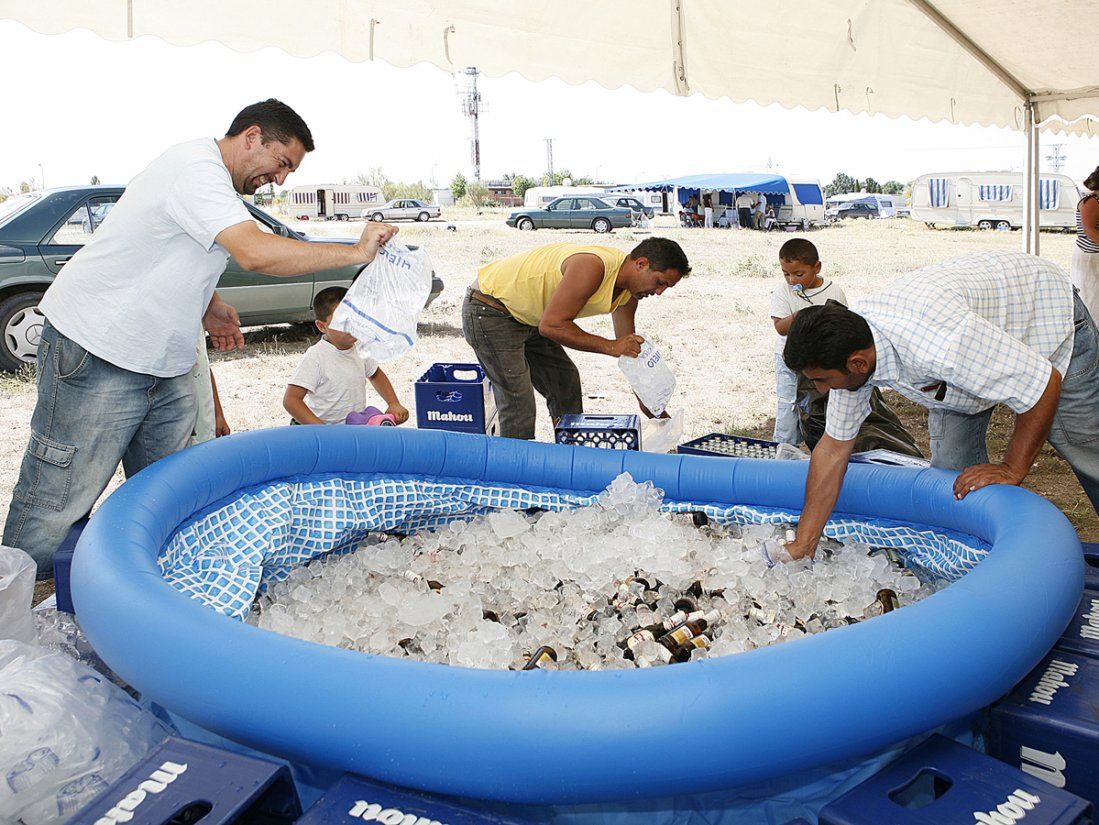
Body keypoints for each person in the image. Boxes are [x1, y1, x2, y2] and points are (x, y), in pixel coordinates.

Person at [4, 98, 399, 578]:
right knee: (58, 494)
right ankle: (20, 617)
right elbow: (255, 253)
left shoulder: (219, 187)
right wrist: (354, 251)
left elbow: (173, 243)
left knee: (169, 492)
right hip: (99, 347)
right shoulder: (195, 168)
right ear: (252, 136)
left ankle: (147, 592)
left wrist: (209, 304)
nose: (281, 179)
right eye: (282, 163)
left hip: (164, 362)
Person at [782, 250, 1099, 560]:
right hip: (974, 347)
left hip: (1042, 318)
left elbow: (1043, 383)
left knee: (1087, 449)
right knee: (954, 476)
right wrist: (803, 544)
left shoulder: (942, 346)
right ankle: (980, 564)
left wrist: (1011, 468)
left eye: (822, 379)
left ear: (858, 364)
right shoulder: (854, 344)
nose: (821, 389)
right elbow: (833, 450)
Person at [462, 239, 690, 439]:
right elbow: (552, 326)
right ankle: (512, 477)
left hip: (529, 316)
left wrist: (648, 400)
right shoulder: (592, 266)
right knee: (518, 401)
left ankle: (569, 454)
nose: (659, 292)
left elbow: (628, 351)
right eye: (660, 282)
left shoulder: (628, 295)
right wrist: (610, 346)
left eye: (666, 288)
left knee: (564, 381)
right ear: (641, 264)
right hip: (490, 307)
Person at [283, 287, 409, 426]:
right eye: (342, 322)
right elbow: (291, 400)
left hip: (353, 427)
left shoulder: (360, 347)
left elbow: (375, 374)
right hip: (323, 430)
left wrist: (393, 403)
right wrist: (321, 429)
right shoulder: (316, 357)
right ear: (322, 326)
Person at [770, 239, 846, 445]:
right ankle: (784, 450)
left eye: (799, 274)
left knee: (821, 404)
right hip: (789, 359)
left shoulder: (833, 291)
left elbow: (842, 325)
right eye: (786, 274)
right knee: (788, 404)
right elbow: (779, 326)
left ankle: (823, 445)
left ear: (817, 267)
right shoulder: (782, 291)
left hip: (820, 361)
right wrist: (803, 316)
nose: (792, 279)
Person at [1073, 166, 1099, 321]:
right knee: (1091, 297)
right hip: (1090, 257)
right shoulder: (1092, 202)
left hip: (1094, 256)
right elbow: (1089, 230)